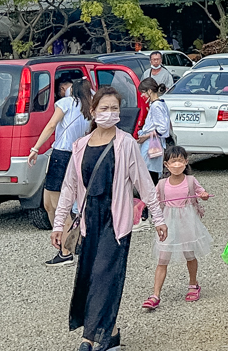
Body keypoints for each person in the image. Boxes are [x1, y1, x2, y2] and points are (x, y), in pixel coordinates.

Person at [53, 87, 166, 351]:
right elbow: (69, 187)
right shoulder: (80, 145)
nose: (110, 113)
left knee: (105, 275)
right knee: (90, 276)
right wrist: (59, 224)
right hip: (89, 220)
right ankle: (111, 332)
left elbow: (144, 184)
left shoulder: (126, 143)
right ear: (92, 112)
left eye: (115, 108)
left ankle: (89, 338)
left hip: (115, 221)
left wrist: (158, 218)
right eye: (104, 108)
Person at [139, 144, 212, 310]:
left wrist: (204, 195)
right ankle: (155, 294)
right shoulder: (162, 184)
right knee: (162, 258)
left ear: (186, 162)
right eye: (173, 161)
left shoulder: (191, 181)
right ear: (166, 164)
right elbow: (153, 200)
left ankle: (193, 284)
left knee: (190, 255)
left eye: (180, 161)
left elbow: (202, 193)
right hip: (168, 224)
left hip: (188, 223)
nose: (177, 164)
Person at [30, 77, 93, 265]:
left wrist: (35, 148)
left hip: (61, 154)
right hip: (78, 154)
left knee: (57, 205)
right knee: (52, 203)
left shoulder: (65, 103)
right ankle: (73, 242)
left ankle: (65, 251)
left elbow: (51, 126)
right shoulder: (90, 109)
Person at [136, 79, 171, 182]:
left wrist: (146, 137)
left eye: (143, 92)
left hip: (151, 142)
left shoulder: (156, 106)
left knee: (149, 171)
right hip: (154, 141)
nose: (142, 95)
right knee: (151, 170)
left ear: (149, 91)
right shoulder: (161, 103)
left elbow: (162, 128)